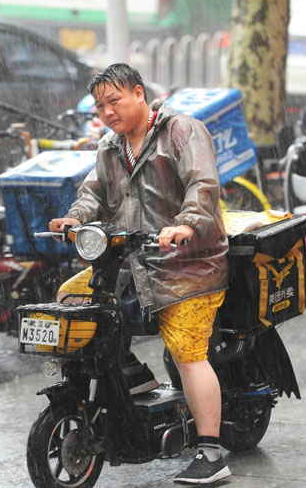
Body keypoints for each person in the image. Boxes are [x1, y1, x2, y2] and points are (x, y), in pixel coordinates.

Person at [48, 63, 231, 485]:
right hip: (131, 263)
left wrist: (187, 225)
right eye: (100, 106)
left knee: (187, 352)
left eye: (114, 101)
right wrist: (73, 220)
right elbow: (93, 192)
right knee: (71, 300)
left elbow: (203, 184)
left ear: (138, 93)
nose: (107, 112)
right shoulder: (110, 147)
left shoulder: (181, 130)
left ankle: (211, 452)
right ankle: (132, 378)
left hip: (189, 265)